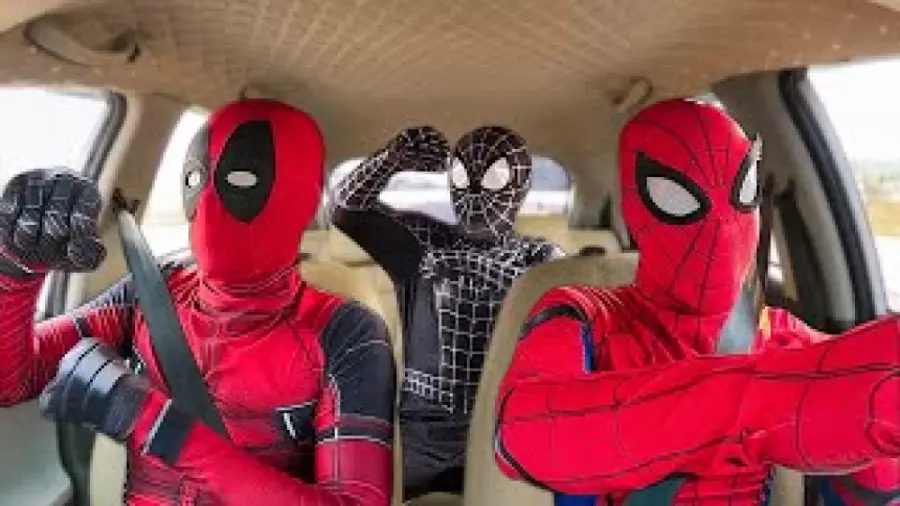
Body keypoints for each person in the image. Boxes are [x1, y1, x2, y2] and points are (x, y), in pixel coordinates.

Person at [494, 98, 900, 505]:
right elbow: (522, 433)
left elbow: (871, 487)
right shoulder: (582, 313)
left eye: (742, 191)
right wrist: (769, 398)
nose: (722, 227)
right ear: (634, 210)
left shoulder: (778, 332)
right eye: (674, 197)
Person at [0, 99, 395, 505]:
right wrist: (16, 267)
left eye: (242, 178)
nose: (208, 202)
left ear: (300, 196)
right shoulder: (150, 292)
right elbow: (12, 382)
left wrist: (153, 422)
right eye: (196, 178)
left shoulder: (346, 333)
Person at [331, 125, 564, 499]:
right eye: (461, 176)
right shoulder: (423, 240)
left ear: (520, 185)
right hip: (427, 434)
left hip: (510, 423)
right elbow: (347, 211)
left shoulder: (541, 258)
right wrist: (391, 160)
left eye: (494, 176)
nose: (474, 191)